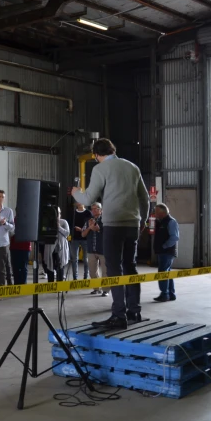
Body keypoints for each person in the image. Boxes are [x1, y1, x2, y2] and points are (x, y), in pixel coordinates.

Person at [73, 138, 150, 329]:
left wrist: (76, 193)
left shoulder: (100, 169)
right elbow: (145, 198)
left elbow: (89, 198)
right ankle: (134, 311)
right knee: (130, 267)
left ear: (97, 155)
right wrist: (143, 221)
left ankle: (118, 316)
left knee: (114, 269)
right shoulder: (132, 167)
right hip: (132, 224)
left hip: (113, 225)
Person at [153, 203, 180, 302]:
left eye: (156, 212)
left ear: (162, 212)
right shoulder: (160, 222)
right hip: (163, 252)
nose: (155, 214)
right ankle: (171, 293)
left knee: (163, 272)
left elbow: (175, 237)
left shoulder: (171, 222)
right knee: (167, 272)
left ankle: (164, 294)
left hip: (167, 252)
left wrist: (164, 246)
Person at [81, 202, 108, 297]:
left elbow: (109, 234)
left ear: (101, 210)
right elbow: (83, 234)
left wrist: (98, 230)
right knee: (92, 271)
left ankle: (106, 290)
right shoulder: (88, 220)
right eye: (92, 209)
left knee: (105, 271)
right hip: (91, 249)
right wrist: (89, 228)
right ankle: (96, 288)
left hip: (103, 249)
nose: (93, 210)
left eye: (95, 208)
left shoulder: (106, 220)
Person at [43, 207, 70, 282]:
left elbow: (67, 233)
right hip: (50, 246)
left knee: (60, 265)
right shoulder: (47, 222)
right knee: (50, 265)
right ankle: (51, 285)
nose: (58, 215)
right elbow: (44, 232)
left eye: (59, 213)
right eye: (56, 213)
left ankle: (59, 285)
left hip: (61, 247)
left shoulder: (63, 222)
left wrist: (59, 226)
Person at [70, 203, 92, 280]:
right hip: (75, 238)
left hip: (85, 238)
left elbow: (90, 225)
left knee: (86, 259)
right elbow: (70, 223)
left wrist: (81, 229)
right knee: (74, 259)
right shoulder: (73, 212)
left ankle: (86, 276)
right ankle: (75, 277)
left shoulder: (88, 213)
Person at [9, 218, 30, 285]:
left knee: (24, 267)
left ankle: (23, 284)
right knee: (15, 267)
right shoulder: (13, 220)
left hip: (25, 247)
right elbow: (10, 232)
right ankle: (16, 284)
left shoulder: (29, 220)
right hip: (15, 246)